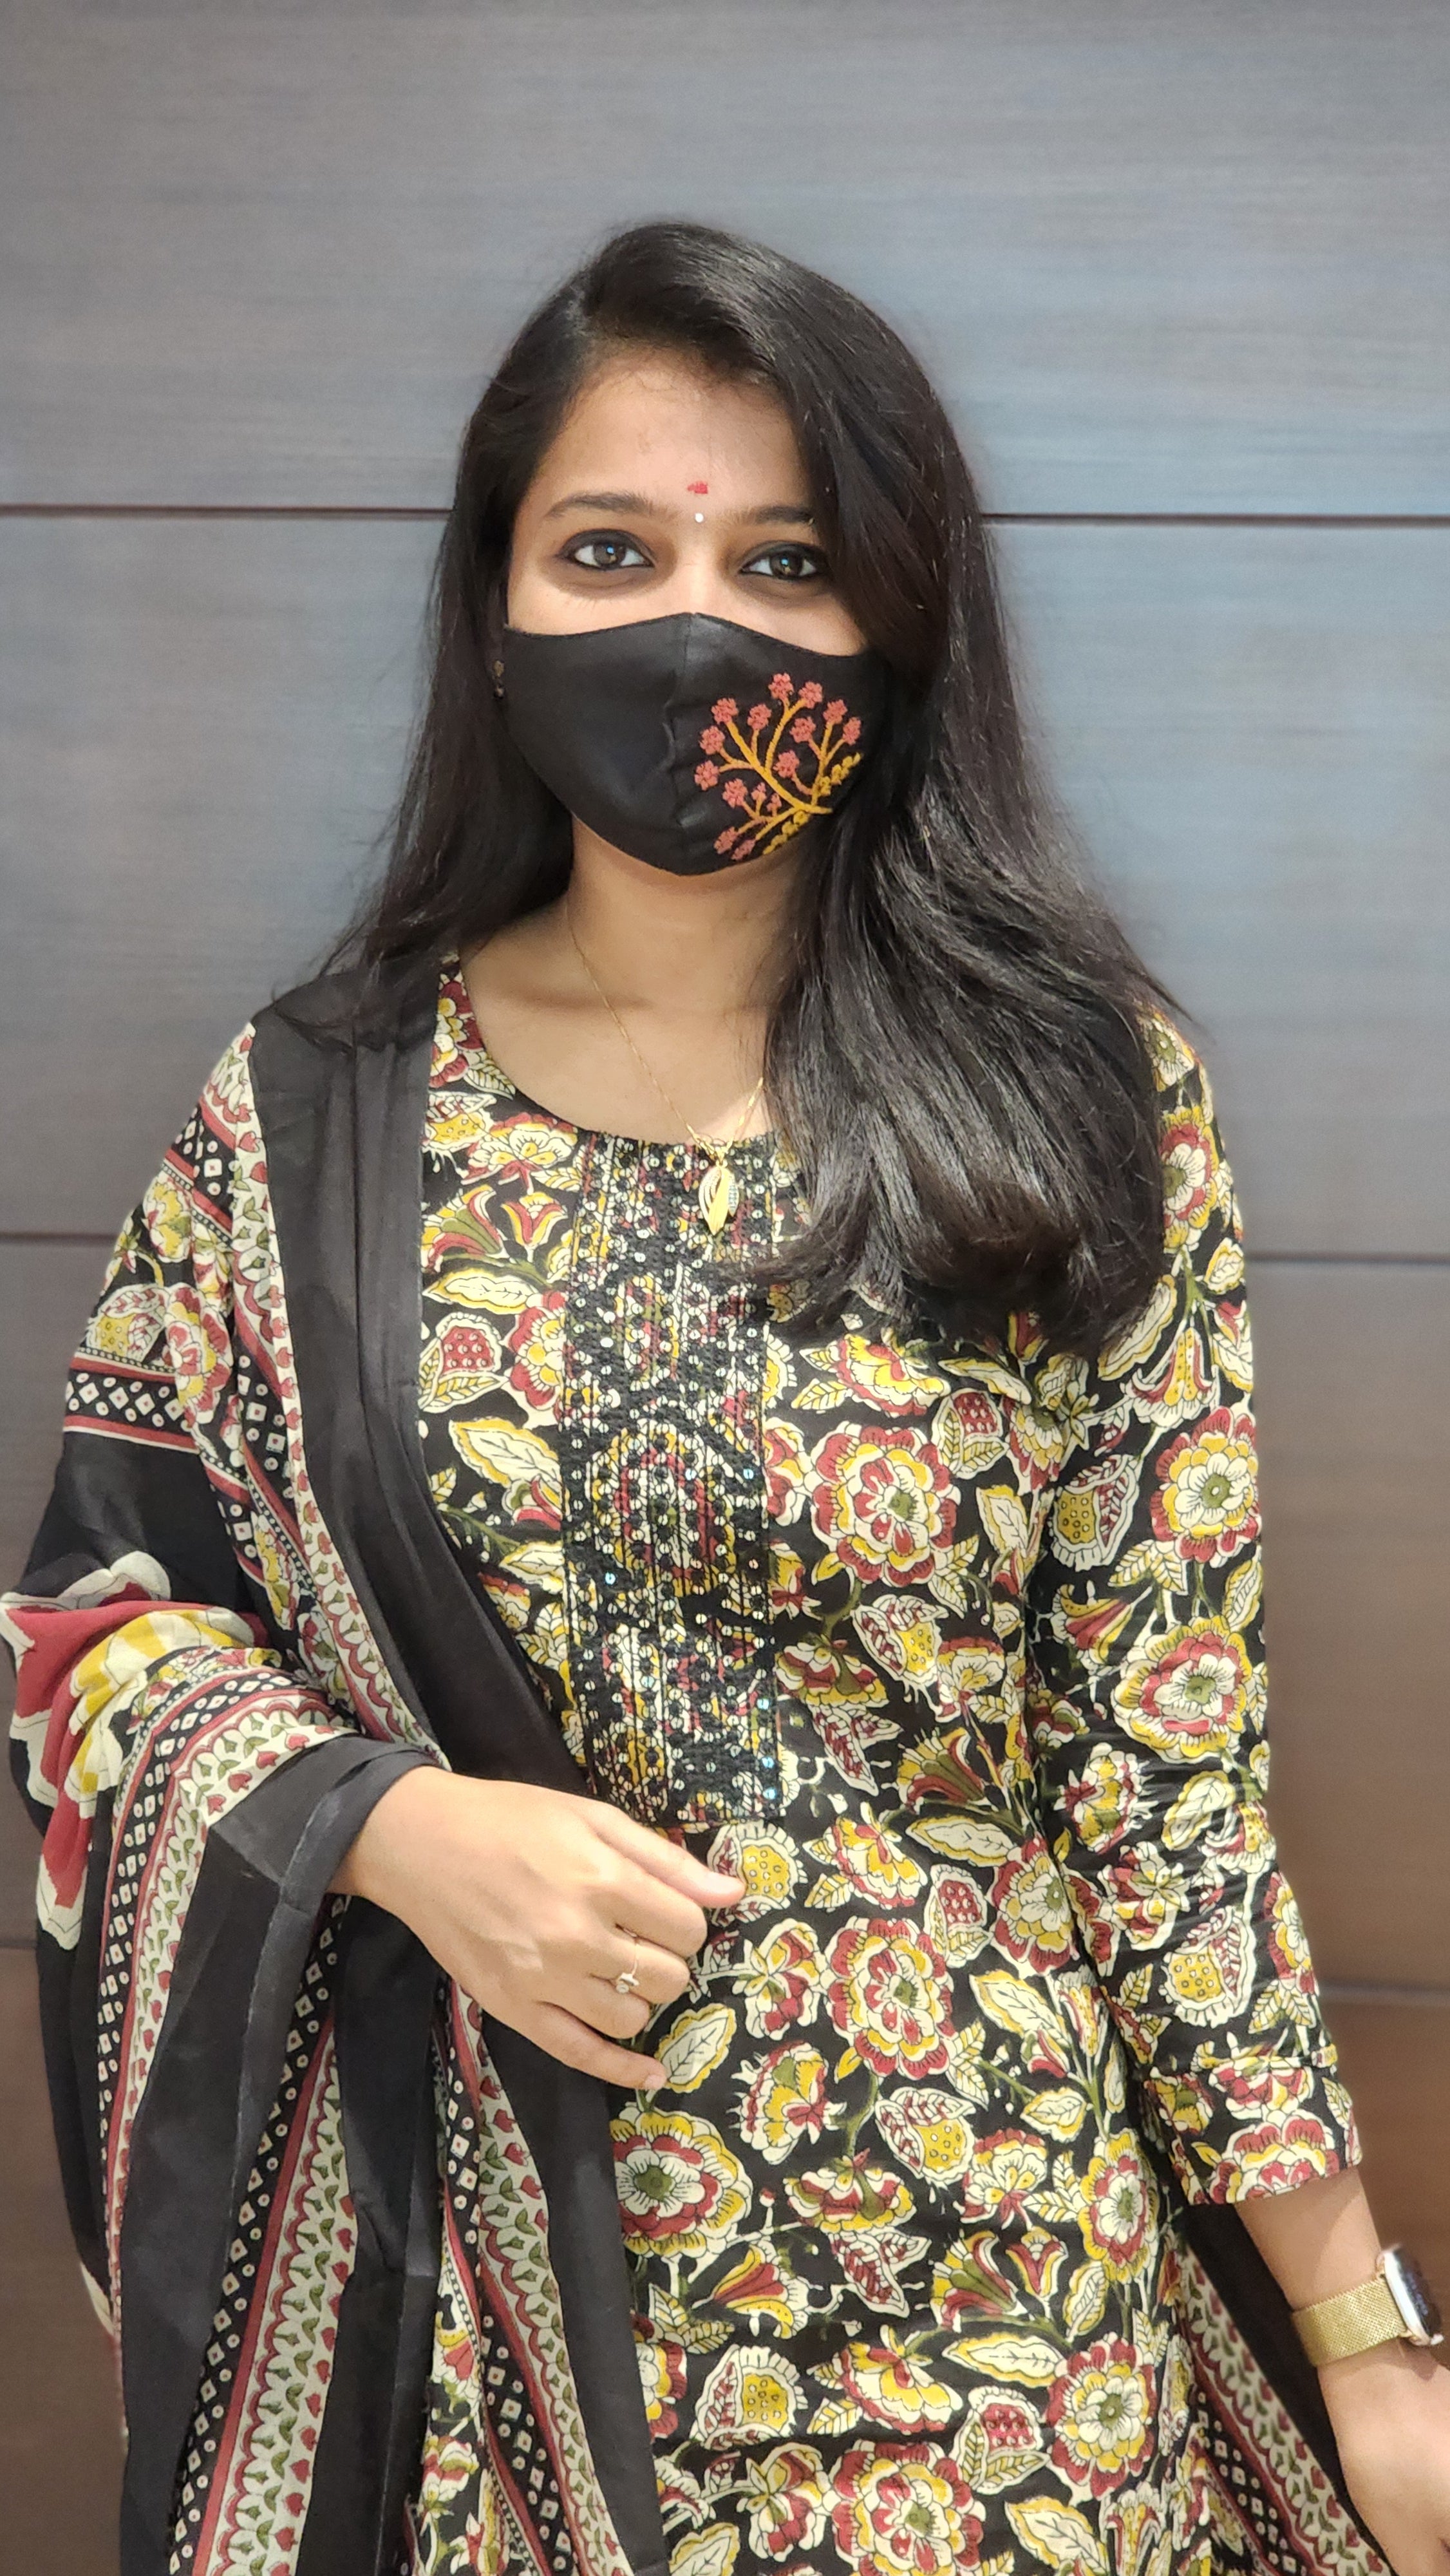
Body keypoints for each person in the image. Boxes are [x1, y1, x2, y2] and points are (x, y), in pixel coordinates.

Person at [6, 220, 1448, 2576]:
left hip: (992, 2340)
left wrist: (1363, 2340)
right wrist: (388, 1828)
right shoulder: (316, 1118)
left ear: (896, 621)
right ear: (496, 617)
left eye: (784, 561)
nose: (700, 629)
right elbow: (94, 1629)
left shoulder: (1077, 1102)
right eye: (611, 552)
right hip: (488, 2331)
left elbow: (1164, 1777)